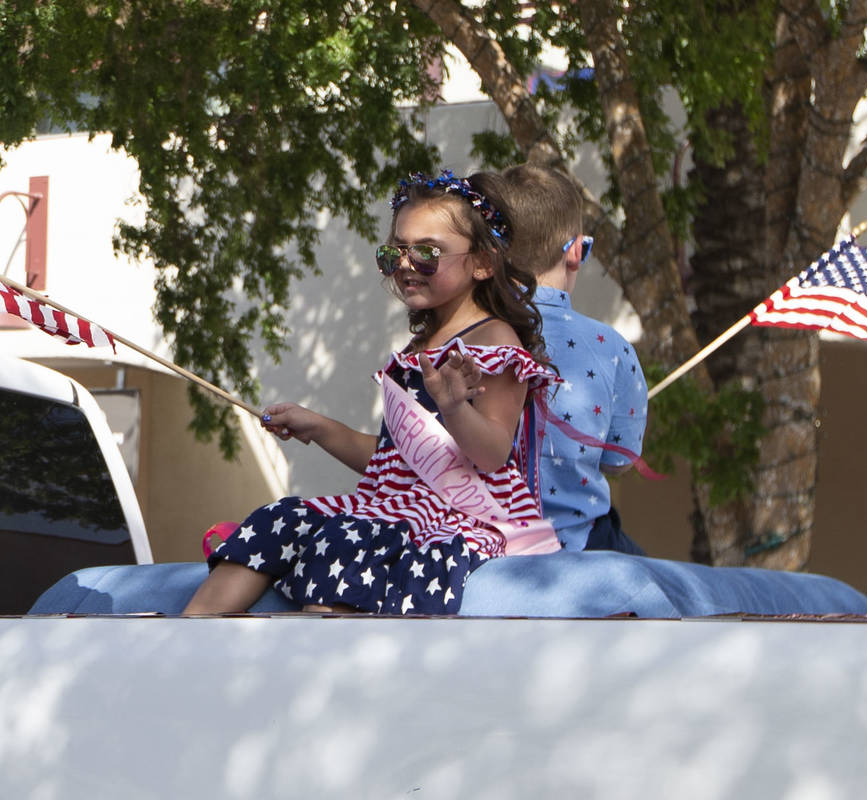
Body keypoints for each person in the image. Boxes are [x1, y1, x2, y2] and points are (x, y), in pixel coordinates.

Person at [185, 169, 558, 616]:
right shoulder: (418, 347)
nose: (404, 264)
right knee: (281, 516)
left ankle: (309, 663)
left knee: (351, 540)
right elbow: (392, 464)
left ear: (482, 262)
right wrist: (320, 427)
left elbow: (493, 455)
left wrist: (454, 407)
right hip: (387, 505)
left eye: (426, 253)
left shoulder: (494, 341)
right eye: (394, 252)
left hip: (454, 519)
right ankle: (191, 631)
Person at [500, 163, 649, 554]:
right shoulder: (612, 348)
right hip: (582, 544)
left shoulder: (467, 335)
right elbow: (620, 461)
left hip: (485, 543)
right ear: (575, 252)